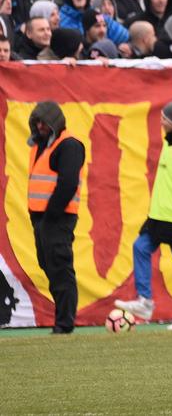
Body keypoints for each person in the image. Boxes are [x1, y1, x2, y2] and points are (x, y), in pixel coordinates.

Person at [115, 100, 172, 330]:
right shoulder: (171, 144)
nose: (161, 121)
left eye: (165, 118)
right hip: (159, 218)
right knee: (140, 247)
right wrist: (150, 217)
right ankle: (145, 301)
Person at [25, 101, 85, 334]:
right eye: (37, 122)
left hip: (57, 218)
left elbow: (68, 183)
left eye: (44, 122)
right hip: (41, 217)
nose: (40, 126)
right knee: (47, 263)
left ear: (55, 122)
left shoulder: (69, 145)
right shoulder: (40, 145)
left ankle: (65, 323)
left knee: (60, 266)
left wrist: (51, 214)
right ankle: (63, 318)